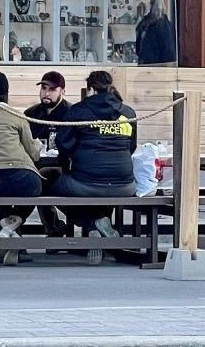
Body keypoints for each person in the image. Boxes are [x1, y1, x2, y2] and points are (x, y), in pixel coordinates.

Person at [53, 69, 137, 264]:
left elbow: (63, 146)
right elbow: (131, 147)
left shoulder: (78, 111)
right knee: (101, 189)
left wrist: (69, 164)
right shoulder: (128, 112)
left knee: (52, 188)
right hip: (125, 186)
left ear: (89, 89)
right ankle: (101, 222)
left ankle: (91, 226)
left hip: (86, 182)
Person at [0, 71, 43, 265]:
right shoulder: (15, 115)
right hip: (22, 177)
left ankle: (8, 233)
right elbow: (33, 154)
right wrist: (38, 146)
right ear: (6, 94)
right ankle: (11, 231)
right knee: (37, 188)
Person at [23, 71, 71, 237]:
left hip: (66, 168)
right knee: (37, 179)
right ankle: (53, 229)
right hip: (35, 165)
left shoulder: (71, 113)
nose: (46, 93)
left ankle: (13, 224)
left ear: (62, 92)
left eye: (52, 89)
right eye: (44, 88)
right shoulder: (31, 114)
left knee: (40, 180)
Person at [134, 0, 176, 65]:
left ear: (150, 5)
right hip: (158, 65)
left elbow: (138, 47)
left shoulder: (144, 23)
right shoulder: (167, 25)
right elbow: (170, 52)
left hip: (147, 63)